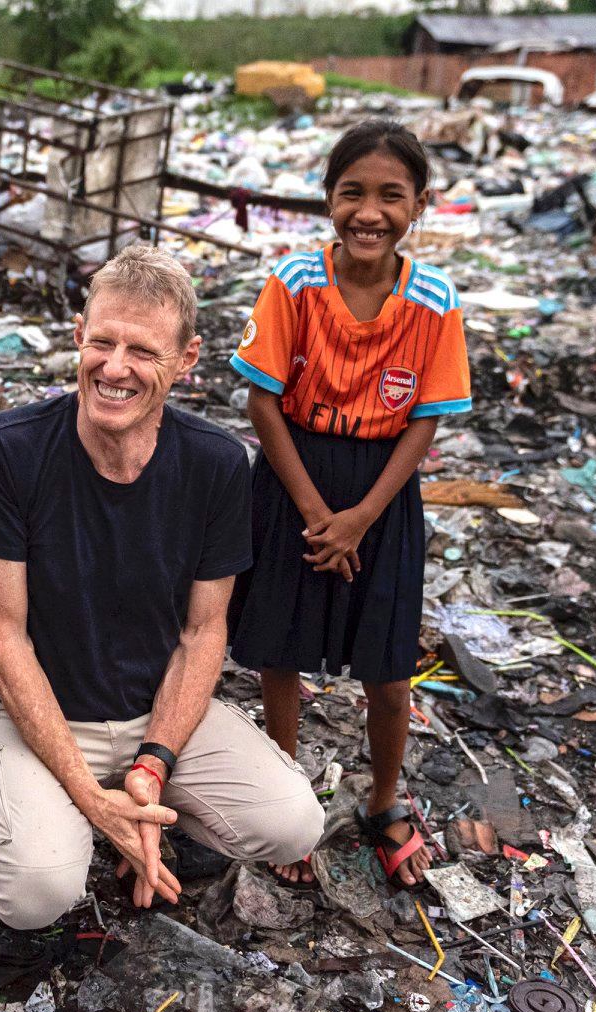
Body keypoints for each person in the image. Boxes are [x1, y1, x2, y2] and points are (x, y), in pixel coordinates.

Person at [0, 244, 325, 931]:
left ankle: (138, 810)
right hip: (37, 712)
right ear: (78, 338)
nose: (114, 368)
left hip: (157, 710)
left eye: (143, 351)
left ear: (187, 360)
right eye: (102, 342)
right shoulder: (7, 452)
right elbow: (2, 637)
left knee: (294, 822)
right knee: (36, 897)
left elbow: (203, 631)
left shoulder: (216, 465)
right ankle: (42, 814)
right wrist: (92, 799)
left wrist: (153, 765)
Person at [228, 119, 472, 891]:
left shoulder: (433, 299)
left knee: (388, 666)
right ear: (329, 200)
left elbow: (426, 417)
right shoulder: (295, 283)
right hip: (295, 476)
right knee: (282, 655)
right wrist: (313, 511)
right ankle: (288, 801)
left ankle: (385, 798)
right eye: (352, 193)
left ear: (420, 206)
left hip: (383, 493)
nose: (370, 212)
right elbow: (263, 403)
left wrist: (362, 516)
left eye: (390, 196)